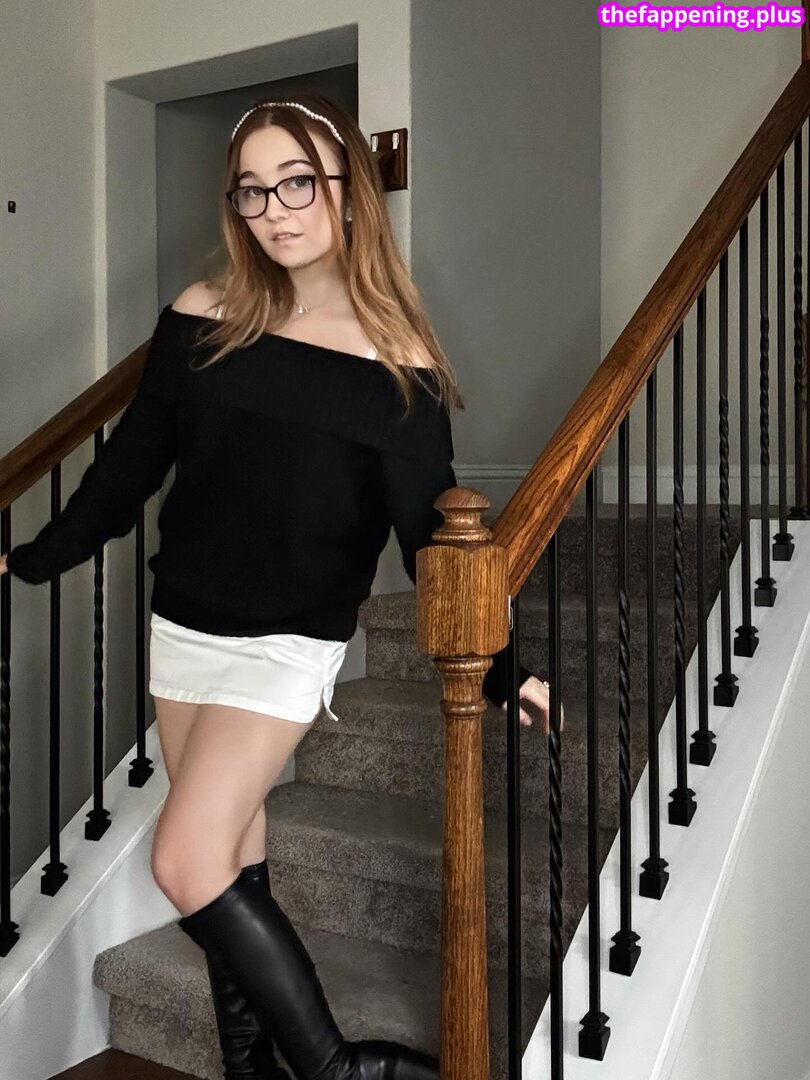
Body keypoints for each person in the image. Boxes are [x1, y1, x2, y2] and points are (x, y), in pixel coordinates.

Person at [0, 93, 555, 1080]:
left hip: (288, 642)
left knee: (184, 862)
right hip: (185, 624)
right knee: (232, 858)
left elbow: (431, 540)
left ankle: (342, 1070)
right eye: (252, 190)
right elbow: (128, 472)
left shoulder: (397, 364)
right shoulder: (201, 319)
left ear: (350, 189)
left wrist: (503, 663)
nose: (274, 210)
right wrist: (36, 555)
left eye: (297, 182)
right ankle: (254, 1070)